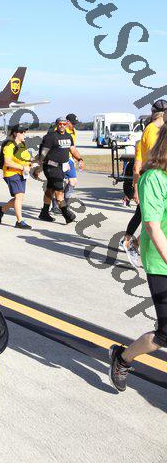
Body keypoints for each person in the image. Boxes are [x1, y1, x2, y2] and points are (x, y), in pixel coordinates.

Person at [109, 121, 167, 392]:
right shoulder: (153, 178)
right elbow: (152, 227)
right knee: (165, 334)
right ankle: (123, 358)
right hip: (161, 260)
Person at [120, 100, 167, 264]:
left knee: (151, 218)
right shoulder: (153, 131)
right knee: (150, 219)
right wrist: (135, 190)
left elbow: (138, 166)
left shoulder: (148, 132)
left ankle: (133, 243)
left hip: (153, 179)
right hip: (155, 180)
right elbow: (139, 166)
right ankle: (132, 243)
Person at [34, 117, 84, 224]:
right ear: (57, 124)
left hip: (62, 167)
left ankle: (44, 213)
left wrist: (80, 159)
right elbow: (43, 154)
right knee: (59, 191)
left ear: (67, 125)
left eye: (64, 124)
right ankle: (67, 215)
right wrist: (38, 168)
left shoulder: (68, 136)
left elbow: (73, 150)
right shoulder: (50, 137)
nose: (62, 126)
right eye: (60, 124)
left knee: (50, 189)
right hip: (51, 167)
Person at [0, 125, 33, 230]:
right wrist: (22, 167)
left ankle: (1, 210)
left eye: (25, 132)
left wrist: (30, 164)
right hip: (11, 174)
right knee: (19, 197)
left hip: (22, 174)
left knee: (19, 198)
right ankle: (19, 221)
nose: (24, 134)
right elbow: (7, 162)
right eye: (22, 132)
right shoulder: (9, 145)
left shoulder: (22, 144)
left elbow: (25, 158)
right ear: (16, 133)